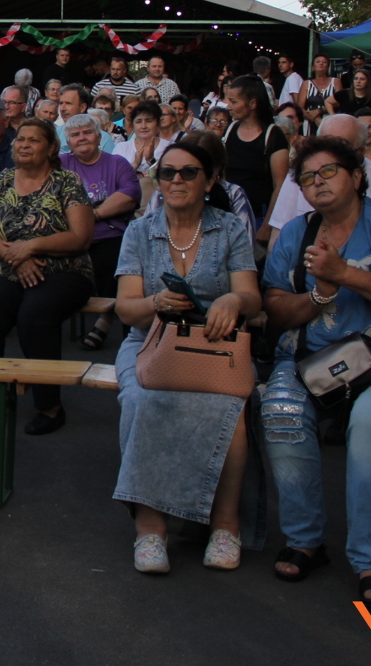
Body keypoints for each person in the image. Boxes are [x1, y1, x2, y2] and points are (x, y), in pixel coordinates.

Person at [260, 136, 371, 609]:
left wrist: (344, 274)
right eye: (307, 177)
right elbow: (275, 307)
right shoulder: (296, 234)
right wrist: (319, 296)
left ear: (357, 176)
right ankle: (305, 539)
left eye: (328, 171)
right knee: (279, 407)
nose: (317, 182)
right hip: (315, 364)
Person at [111, 140, 262, 574]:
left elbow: (252, 297)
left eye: (189, 172)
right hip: (149, 341)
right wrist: (156, 302)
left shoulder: (229, 228)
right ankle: (150, 528)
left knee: (229, 406)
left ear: (210, 180)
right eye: (167, 172)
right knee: (141, 399)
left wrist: (233, 301)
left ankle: (225, 525)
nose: (176, 180)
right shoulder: (140, 231)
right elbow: (126, 309)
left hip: (214, 345)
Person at [0, 118, 95, 434]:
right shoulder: (1, 181)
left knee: (35, 315)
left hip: (63, 269)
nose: (23, 145)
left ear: (51, 148)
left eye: (33, 140)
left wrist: (31, 247)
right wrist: (17, 255)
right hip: (6, 265)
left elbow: (80, 237)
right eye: (21, 139)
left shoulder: (67, 182)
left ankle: (49, 406)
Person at [62, 114, 141, 351]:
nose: (82, 138)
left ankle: (111, 323)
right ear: (68, 141)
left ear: (99, 137)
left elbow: (130, 195)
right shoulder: (60, 163)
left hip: (108, 235)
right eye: (75, 135)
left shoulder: (117, 163)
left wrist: (92, 215)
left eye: (87, 132)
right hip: (69, 238)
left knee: (112, 259)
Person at [264, 114, 371, 234]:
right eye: (325, 147)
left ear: (361, 151)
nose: (331, 157)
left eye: (341, 150)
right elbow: (279, 232)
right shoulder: (300, 176)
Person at [221, 74, 288, 234]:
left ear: (252, 103)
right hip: (230, 216)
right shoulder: (230, 131)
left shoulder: (273, 135)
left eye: (234, 102)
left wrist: (267, 226)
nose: (228, 107)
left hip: (259, 216)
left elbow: (280, 186)